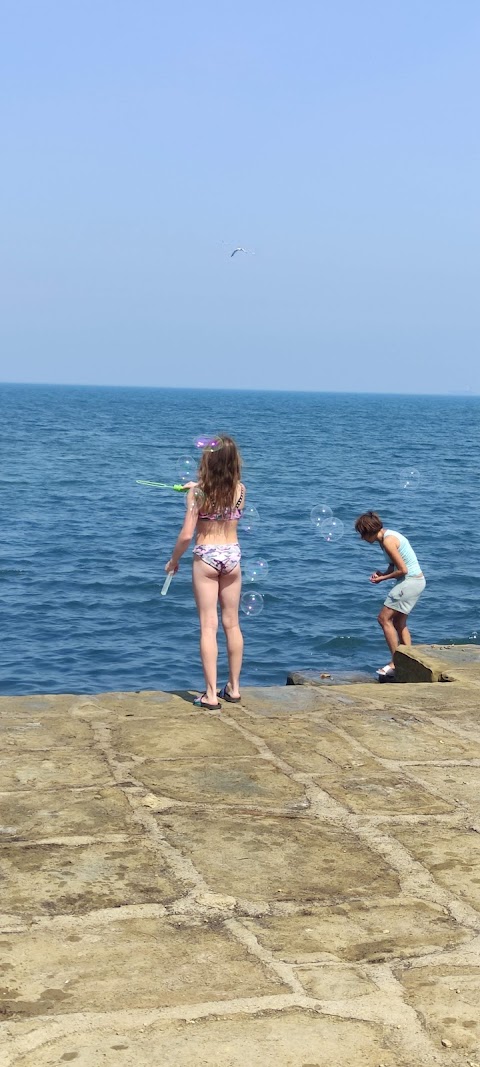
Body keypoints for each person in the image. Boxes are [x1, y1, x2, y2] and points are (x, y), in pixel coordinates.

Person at [165, 435, 245, 709]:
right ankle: (233, 688)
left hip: (207, 557)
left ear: (207, 461)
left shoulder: (196, 493)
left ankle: (211, 695)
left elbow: (188, 534)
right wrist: (196, 488)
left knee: (208, 626)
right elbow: (223, 504)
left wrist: (173, 560)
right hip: (233, 556)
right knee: (232, 624)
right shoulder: (241, 490)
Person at [354, 511, 426, 679]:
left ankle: (395, 663)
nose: (362, 539)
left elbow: (403, 570)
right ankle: (410, 662)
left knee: (383, 619)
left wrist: (382, 579)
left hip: (409, 582)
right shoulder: (386, 537)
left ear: (369, 531)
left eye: (362, 534)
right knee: (399, 622)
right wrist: (383, 574)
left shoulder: (388, 541)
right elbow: (395, 566)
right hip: (415, 581)